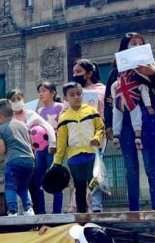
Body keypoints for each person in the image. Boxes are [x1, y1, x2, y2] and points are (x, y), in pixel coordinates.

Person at [104, 32, 155, 211]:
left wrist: (154, 75)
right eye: (132, 43)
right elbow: (108, 99)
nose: (136, 46)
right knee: (130, 167)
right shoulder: (115, 71)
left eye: (140, 43)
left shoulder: (153, 65)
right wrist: (110, 124)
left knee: (151, 164)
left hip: (146, 115)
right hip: (124, 118)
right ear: (124, 47)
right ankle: (134, 209)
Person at [53, 82, 105, 213]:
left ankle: (97, 209)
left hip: (91, 154)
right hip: (74, 158)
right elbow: (62, 142)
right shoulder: (64, 117)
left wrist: (97, 138)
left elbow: (100, 128)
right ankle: (82, 212)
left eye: (79, 93)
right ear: (65, 98)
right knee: (79, 186)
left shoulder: (92, 111)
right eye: (72, 95)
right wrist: (57, 162)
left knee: (95, 183)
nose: (76, 97)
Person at [6, 88, 56, 214]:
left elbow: (47, 126)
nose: (17, 101)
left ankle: (39, 214)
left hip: (32, 156)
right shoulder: (9, 120)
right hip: (15, 159)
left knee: (35, 186)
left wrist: (53, 143)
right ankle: (24, 212)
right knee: (19, 187)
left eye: (19, 98)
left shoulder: (30, 115)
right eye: (13, 100)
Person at [71, 59, 106, 212]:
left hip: (97, 134)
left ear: (89, 73)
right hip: (77, 136)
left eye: (79, 72)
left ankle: (95, 206)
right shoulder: (73, 92)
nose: (75, 75)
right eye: (74, 72)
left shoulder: (101, 89)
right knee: (78, 173)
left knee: (94, 170)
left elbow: (106, 109)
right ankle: (78, 206)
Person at [0, 98, 35, 216]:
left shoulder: (1, 129)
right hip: (29, 160)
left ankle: (12, 211)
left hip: (13, 160)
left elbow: (2, 150)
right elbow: (31, 143)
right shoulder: (24, 125)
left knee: (10, 186)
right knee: (23, 186)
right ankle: (28, 209)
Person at [35, 81, 63, 214]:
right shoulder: (39, 111)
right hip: (40, 150)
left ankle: (56, 212)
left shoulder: (60, 107)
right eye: (39, 91)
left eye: (44, 91)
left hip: (54, 149)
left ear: (53, 93)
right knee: (39, 180)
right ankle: (41, 211)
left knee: (55, 180)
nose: (40, 94)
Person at [111, 71, 154, 150]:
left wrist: (114, 99)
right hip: (132, 102)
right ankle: (138, 138)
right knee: (136, 119)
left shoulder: (117, 82)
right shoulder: (139, 82)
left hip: (119, 101)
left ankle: (116, 136)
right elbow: (144, 93)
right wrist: (148, 106)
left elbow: (112, 86)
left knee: (116, 119)